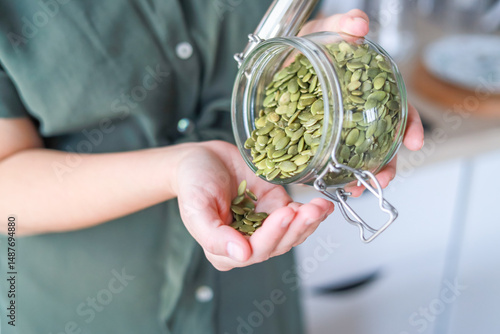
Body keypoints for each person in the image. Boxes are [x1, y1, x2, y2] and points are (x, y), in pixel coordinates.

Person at [0, 1, 423, 333]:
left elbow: (284, 55)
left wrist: (323, 54)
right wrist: (179, 166)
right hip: (92, 308)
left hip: (252, 295)